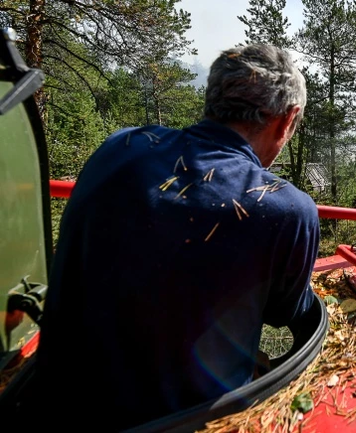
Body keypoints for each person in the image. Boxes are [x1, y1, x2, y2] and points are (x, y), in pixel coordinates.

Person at [35, 44, 319, 430]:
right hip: (179, 423)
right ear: (287, 121)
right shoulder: (287, 210)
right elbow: (288, 313)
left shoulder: (119, 146)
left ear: (213, 100)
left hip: (54, 407)